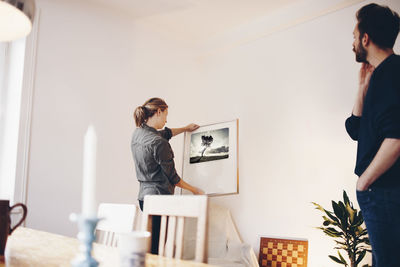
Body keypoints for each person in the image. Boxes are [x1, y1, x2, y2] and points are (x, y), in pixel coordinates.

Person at [345, 3, 400, 266]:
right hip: (379, 191)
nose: (353, 44)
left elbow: (396, 138)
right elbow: (354, 129)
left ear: (365, 38)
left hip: (385, 190)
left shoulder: (393, 73)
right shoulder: (380, 76)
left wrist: (364, 182)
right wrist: (362, 87)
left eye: (355, 37)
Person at [131, 97, 204, 254]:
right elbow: (173, 178)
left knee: (151, 245)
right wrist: (194, 190)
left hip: (144, 198)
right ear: (158, 112)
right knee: (157, 247)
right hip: (160, 200)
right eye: (165, 115)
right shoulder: (159, 143)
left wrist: (185, 128)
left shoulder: (137, 134)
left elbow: (166, 133)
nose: (166, 119)